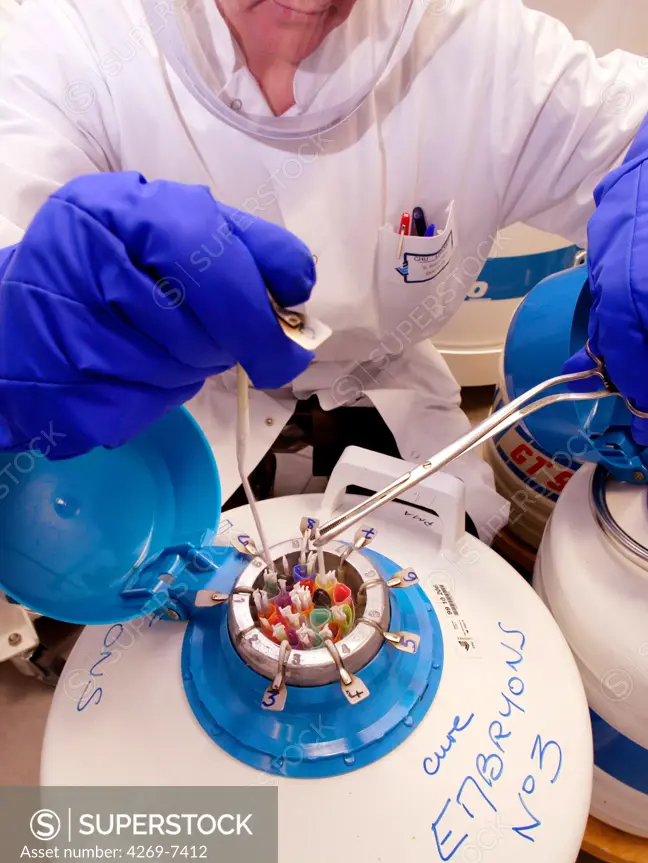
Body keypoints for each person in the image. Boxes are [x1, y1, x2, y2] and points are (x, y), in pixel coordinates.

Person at [0, 0, 647, 537]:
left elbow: (627, 124)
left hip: (388, 394)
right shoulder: (70, 40)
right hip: (171, 424)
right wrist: (23, 315)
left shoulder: (473, 40)